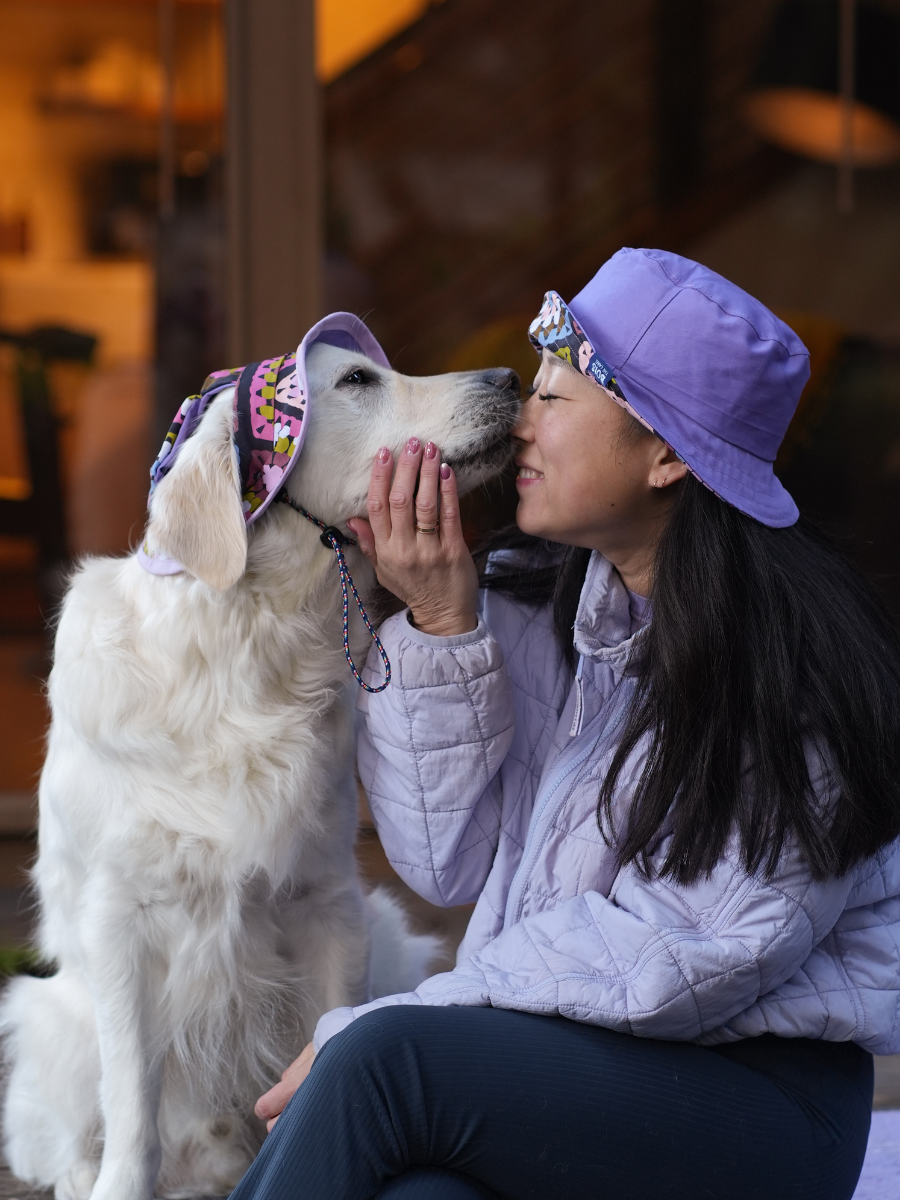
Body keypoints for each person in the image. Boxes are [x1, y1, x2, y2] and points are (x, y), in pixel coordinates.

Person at [229, 248, 900, 1200]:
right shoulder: (527, 602)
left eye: (555, 395)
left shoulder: (789, 679)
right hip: (569, 1064)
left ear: (666, 455)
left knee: (382, 1062)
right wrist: (442, 625)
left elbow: (682, 959)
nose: (520, 420)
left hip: (759, 1103)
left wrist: (402, 1023)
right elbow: (445, 865)